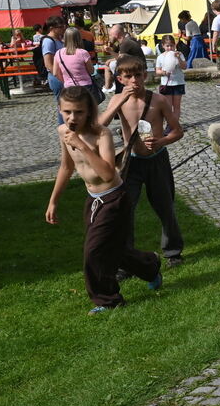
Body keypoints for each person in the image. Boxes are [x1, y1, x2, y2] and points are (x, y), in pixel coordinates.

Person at [46, 84, 161, 313]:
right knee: (112, 250)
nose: (72, 117)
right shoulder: (63, 132)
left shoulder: (101, 134)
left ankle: (108, 300)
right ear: (59, 109)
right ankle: (150, 266)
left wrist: (82, 145)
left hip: (114, 199)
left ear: (89, 111)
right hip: (93, 199)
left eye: (79, 112)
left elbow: (108, 172)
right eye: (67, 111)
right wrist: (53, 201)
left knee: (94, 252)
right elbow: (66, 166)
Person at [99, 54, 185, 268]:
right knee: (125, 209)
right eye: (128, 76)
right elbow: (99, 126)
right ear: (120, 79)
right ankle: (127, 259)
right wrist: (115, 104)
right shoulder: (117, 100)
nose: (134, 80)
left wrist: (161, 141)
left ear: (145, 76)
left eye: (138, 75)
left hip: (157, 160)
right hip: (132, 162)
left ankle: (173, 252)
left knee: (165, 206)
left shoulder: (158, 100)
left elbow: (178, 131)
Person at [42, 15, 68, 115]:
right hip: (56, 76)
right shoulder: (48, 41)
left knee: (66, 103)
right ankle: (63, 127)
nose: (63, 29)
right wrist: (61, 78)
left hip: (62, 75)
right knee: (62, 105)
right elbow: (48, 64)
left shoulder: (59, 39)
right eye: (61, 27)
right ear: (52, 28)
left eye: (64, 26)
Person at [155, 35, 186, 119]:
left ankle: (175, 125)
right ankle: (170, 124)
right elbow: (157, 71)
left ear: (174, 45)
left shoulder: (179, 54)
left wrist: (178, 58)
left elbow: (184, 67)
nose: (170, 48)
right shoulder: (160, 57)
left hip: (178, 83)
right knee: (168, 107)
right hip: (166, 84)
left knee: (176, 106)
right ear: (163, 46)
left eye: (171, 45)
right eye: (167, 46)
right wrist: (164, 72)